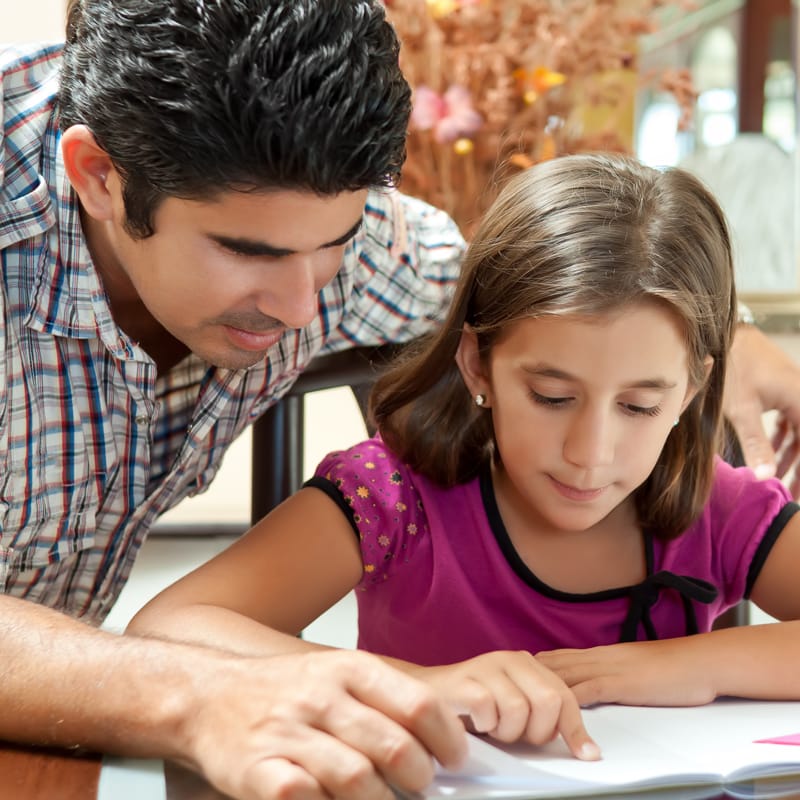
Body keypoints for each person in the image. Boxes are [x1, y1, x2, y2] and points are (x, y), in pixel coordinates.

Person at [129, 153, 800, 760]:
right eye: (551, 396)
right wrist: (422, 688)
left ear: (693, 388)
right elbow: (168, 631)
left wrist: (689, 666)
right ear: (479, 363)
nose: (590, 454)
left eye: (638, 407)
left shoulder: (716, 506)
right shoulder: (391, 499)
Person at [0, 1, 469, 797]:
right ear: (99, 176)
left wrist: (714, 332)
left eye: (334, 244)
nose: (298, 307)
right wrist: (195, 695)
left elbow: (494, 286)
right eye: (247, 251)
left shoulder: (324, 213)